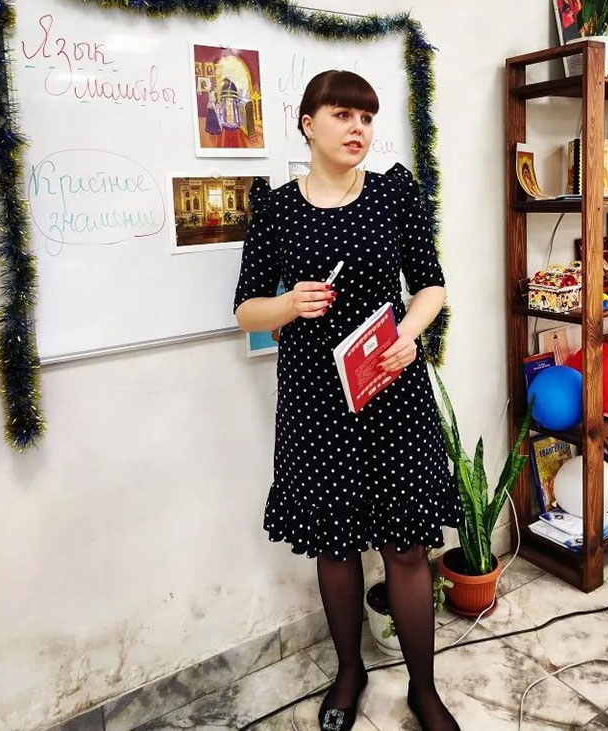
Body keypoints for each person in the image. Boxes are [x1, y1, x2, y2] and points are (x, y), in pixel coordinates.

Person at [233, 69, 463, 731]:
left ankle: (424, 689)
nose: (357, 128)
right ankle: (348, 672)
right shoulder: (276, 209)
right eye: (342, 115)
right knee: (334, 548)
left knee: (406, 549)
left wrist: (409, 336)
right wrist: (288, 303)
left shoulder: (392, 194)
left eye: (366, 117)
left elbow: (431, 286)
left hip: (390, 391)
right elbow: (246, 309)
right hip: (315, 401)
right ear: (308, 124)